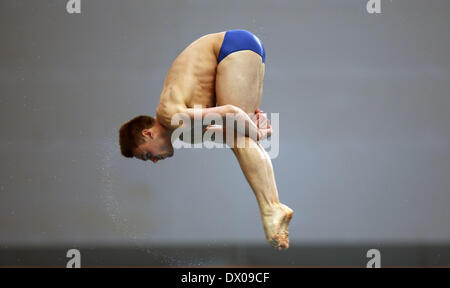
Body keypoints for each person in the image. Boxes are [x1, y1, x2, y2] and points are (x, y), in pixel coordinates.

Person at [119, 30, 293, 250]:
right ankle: (274, 205)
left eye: (146, 155)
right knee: (238, 136)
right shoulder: (186, 135)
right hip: (241, 51)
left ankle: (271, 207)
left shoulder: (169, 114)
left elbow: (230, 113)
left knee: (239, 135)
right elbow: (233, 128)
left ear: (148, 134)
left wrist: (255, 132)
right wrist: (257, 128)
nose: (154, 161)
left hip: (231, 46)